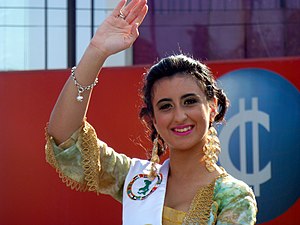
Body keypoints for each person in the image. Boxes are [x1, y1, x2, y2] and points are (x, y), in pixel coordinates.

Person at [45, 0, 257, 224]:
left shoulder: (233, 198)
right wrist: (96, 51)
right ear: (153, 120)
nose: (179, 116)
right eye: (166, 106)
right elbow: (65, 141)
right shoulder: (137, 180)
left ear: (212, 107)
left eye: (189, 101)